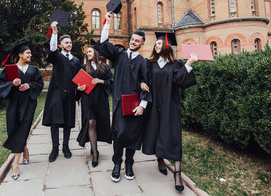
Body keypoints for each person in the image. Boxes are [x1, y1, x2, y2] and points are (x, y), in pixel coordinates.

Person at [93, 12, 152, 182]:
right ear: (130, 40)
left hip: (134, 105)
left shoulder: (143, 62)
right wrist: (107, 23)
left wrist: (142, 105)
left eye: (137, 41)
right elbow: (103, 44)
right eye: (132, 39)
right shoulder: (119, 55)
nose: (134, 42)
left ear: (141, 44)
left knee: (132, 135)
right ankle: (117, 163)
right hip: (119, 103)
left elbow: (146, 83)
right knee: (119, 134)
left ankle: (129, 163)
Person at [140, 35, 198, 191]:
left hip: (170, 106)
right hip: (154, 106)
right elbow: (143, 78)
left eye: (160, 43)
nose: (157, 46)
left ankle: (177, 174)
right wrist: (142, 82)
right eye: (156, 44)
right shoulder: (150, 64)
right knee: (156, 132)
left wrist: (189, 64)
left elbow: (181, 81)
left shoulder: (175, 64)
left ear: (167, 46)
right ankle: (160, 159)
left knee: (174, 137)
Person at [0, 42, 44, 180]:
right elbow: (0, 85)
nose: (30, 55)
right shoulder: (9, 69)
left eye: (30, 53)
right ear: (20, 55)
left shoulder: (34, 70)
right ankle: (24, 150)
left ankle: (15, 164)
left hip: (29, 103)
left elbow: (39, 84)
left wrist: (29, 85)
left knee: (23, 129)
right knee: (13, 129)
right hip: (13, 103)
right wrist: (12, 84)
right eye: (28, 53)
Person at [42, 21, 81, 162]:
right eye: (66, 42)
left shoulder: (76, 60)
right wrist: (54, 33)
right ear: (60, 45)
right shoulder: (57, 57)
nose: (69, 44)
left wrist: (79, 95)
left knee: (68, 121)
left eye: (70, 42)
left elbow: (79, 79)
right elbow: (52, 51)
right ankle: (55, 148)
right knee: (54, 121)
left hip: (70, 94)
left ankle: (65, 146)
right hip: (56, 94)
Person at [76, 46, 113, 167]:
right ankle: (95, 154)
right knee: (91, 123)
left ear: (96, 53)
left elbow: (111, 83)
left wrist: (100, 81)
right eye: (87, 52)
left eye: (90, 51)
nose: (87, 54)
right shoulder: (83, 67)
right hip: (88, 100)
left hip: (101, 100)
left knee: (99, 124)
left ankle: (94, 146)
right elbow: (79, 85)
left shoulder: (105, 67)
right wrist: (79, 88)